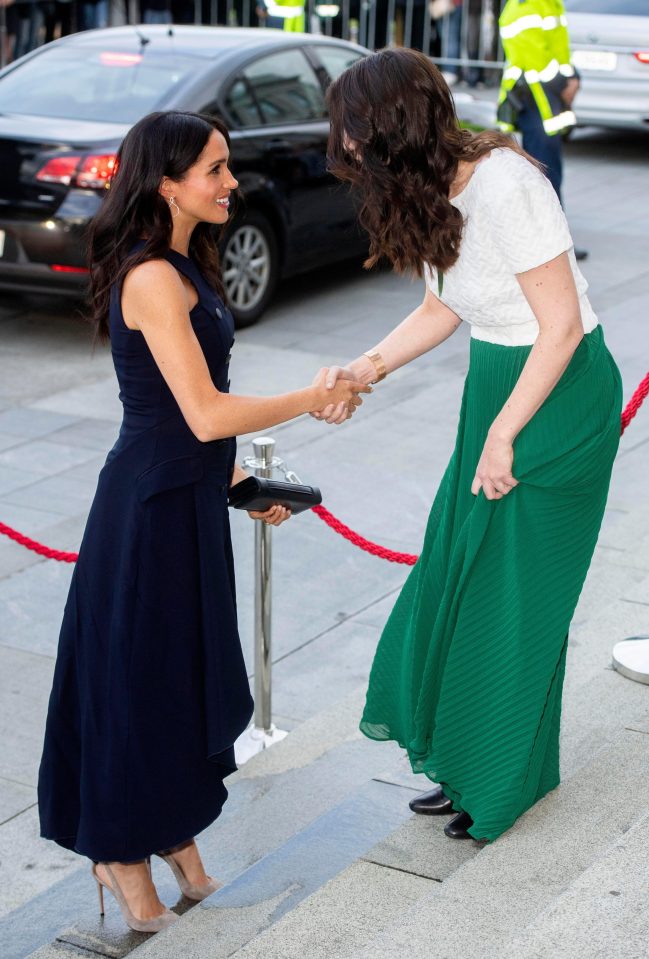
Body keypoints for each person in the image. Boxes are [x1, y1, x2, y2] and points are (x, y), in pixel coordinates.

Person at [37, 110, 369, 933]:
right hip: (146, 512)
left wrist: (244, 486)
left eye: (228, 166)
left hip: (184, 499)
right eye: (215, 170)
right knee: (141, 686)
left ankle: (177, 846)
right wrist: (313, 393)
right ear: (166, 181)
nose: (231, 183)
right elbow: (200, 409)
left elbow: (191, 422)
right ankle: (120, 853)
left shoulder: (185, 263)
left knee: (175, 684)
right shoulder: (151, 276)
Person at [317, 48, 621, 842]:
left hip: (551, 398)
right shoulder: (432, 185)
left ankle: (500, 778)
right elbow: (444, 306)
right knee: (458, 579)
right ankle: (466, 762)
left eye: (354, 133)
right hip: (500, 387)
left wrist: (501, 435)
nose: (346, 149)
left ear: (395, 127)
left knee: (513, 601)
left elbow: (556, 329)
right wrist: (367, 365)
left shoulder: (508, 185)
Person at [497, 0, 587, 259]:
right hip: (535, 100)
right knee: (543, 175)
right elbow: (534, 61)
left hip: (546, 99)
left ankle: (556, 242)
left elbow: (558, 51)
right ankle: (552, 246)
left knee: (549, 172)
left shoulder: (548, 4)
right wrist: (566, 82)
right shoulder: (524, 7)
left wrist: (572, 76)